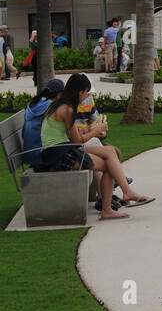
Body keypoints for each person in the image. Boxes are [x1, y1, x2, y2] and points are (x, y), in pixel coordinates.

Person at [38, 74, 154, 218]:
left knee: (110, 151)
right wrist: (96, 130)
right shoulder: (68, 109)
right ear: (81, 92)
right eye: (86, 92)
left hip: (61, 148)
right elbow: (78, 141)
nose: (86, 96)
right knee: (108, 165)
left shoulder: (61, 103)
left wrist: (88, 129)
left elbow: (70, 134)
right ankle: (111, 206)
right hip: (58, 155)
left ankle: (126, 192)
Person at [20, 77, 65, 167]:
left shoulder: (34, 103)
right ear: (59, 94)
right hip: (41, 156)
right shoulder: (51, 107)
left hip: (30, 154)